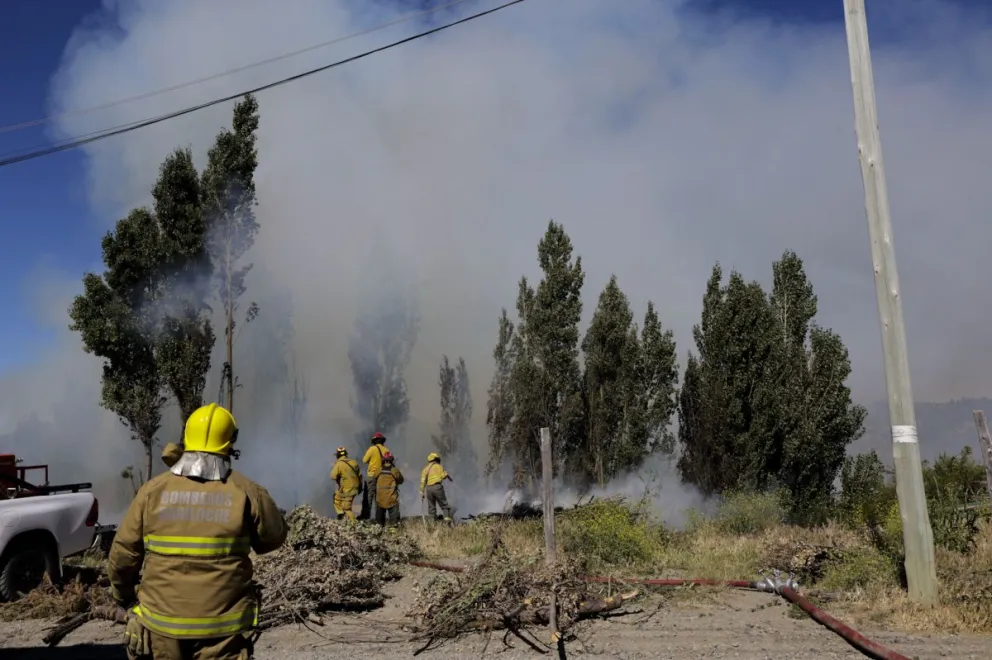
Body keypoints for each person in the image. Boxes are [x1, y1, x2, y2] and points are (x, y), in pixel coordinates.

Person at [108, 403, 287, 660]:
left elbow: (124, 553)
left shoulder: (152, 491)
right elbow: (274, 538)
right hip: (224, 630)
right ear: (230, 442)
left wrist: (123, 598)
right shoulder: (248, 492)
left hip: (161, 626)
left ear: (187, 437)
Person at [359, 432, 390, 520]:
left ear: (374, 441)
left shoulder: (372, 449)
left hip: (372, 475)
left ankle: (366, 516)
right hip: (382, 476)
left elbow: (364, 460)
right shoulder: (386, 450)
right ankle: (379, 518)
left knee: (369, 496)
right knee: (379, 497)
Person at [419, 452, 456, 521]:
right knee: (444, 504)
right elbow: (443, 476)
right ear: (436, 459)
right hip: (437, 487)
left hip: (429, 489)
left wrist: (422, 492)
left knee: (431, 507)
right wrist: (446, 473)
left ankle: (432, 523)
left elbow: (422, 482)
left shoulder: (425, 469)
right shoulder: (439, 466)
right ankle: (446, 518)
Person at [329, 446, 361, 521]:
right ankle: (341, 514)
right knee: (336, 498)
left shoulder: (339, 464)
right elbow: (360, 475)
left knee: (346, 508)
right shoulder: (354, 462)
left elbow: (333, 476)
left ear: (337, 455)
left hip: (347, 489)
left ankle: (354, 525)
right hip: (354, 488)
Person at [374, 452, 404, 528]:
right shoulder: (394, 470)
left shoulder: (379, 470)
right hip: (392, 499)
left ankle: (379, 530)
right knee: (394, 522)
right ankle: (393, 533)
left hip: (380, 499)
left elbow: (374, 478)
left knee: (379, 522)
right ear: (391, 461)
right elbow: (401, 480)